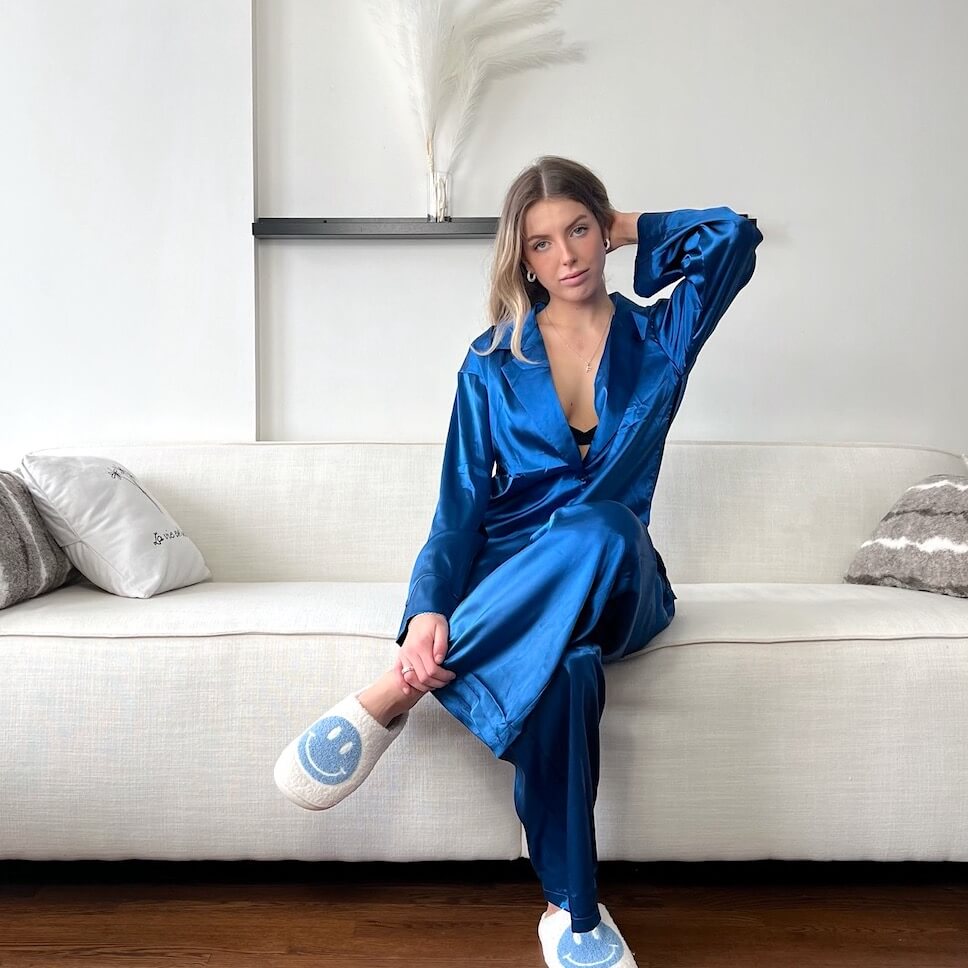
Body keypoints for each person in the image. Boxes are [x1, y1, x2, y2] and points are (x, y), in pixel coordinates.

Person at [275, 155, 764, 968]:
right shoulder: (492, 361)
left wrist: (626, 224)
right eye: (541, 243)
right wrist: (427, 610)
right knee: (568, 671)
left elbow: (734, 239)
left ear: (601, 231)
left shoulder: (661, 336)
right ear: (521, 257)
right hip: (516, 577)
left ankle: (397, 691)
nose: (566, 256)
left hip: (621, 575)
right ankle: (571, 912)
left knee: (604, 526)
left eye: (579, 230)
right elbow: (460, 507)